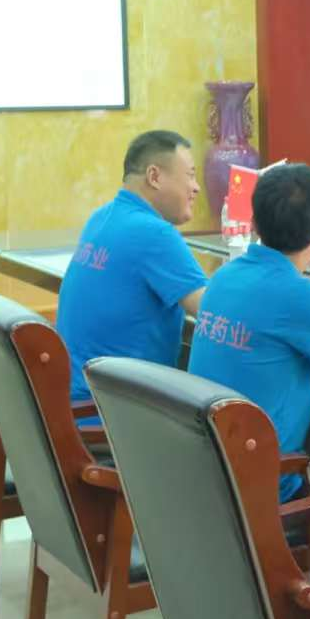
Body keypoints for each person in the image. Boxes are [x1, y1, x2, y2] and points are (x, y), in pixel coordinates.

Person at [188, 163, 310, 500]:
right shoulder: (293, 297)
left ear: (254, 222)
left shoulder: (227, 275)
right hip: (261, 487)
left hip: (208, 472)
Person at [57, 130, 208, 413]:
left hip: (74, 402)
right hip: (112, 414)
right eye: (190, 175)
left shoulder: (101, 217)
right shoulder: (153, 233)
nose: (196, 187)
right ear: (154, 176)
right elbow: (214, 313)